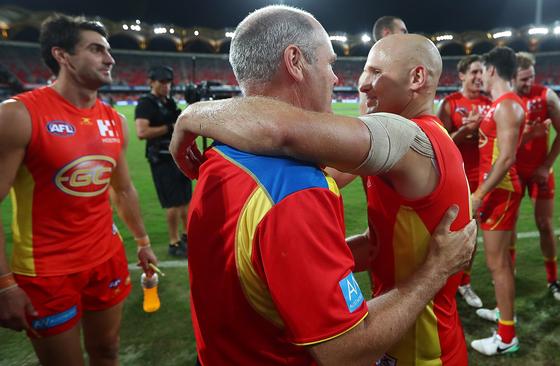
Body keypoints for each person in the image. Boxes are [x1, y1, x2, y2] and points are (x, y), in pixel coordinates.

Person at [171, 6, 476, 365]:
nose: (354, 82)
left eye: (375, 72)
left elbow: (284, 133)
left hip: (427, 353)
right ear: (296, 63)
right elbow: (307, 169)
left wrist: (193, 114)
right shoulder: (291, 181)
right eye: (335, 65)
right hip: (395, 341)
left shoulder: (222, 157)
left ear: (416, 78)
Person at [0, 14, 157, 365]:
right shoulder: (18, 115)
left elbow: (124, 189)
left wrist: (143, 243)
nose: (110, 59)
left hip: (106, 259)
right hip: (47, 271)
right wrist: (5, 283)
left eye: (109, 50)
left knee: (108, 351)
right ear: (62, 56)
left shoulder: (114, 120)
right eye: (96, 49)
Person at [469, 47, 526, 356]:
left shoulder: (506, 106)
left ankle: (507, 336)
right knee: (500, 260)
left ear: (492, 70)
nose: (479, 76)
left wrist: (478, 195)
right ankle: (505, 314)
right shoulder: (498, 105)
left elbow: (506, 159)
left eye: (481, 70)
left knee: (497, 263)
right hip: (495, 188)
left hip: (500, 190)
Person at [512, 52, 560, 301]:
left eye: (531, 77)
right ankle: (507, 273)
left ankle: (553, 279)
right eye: (524, 79)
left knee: (545, 226)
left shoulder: (546, 95)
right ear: (512, 77)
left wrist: (546, 165)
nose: (529, 82)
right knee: (509, 227)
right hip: (512, 171)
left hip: (540, 171)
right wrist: (527, 135)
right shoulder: (504, 99)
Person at [438, 54, 492, 308]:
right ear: (461, 75)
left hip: (480, 175)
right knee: (447, 230)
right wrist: (464, 131)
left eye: (481, 72)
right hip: (455, 176)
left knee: (474, 231)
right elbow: (440, 143)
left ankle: (465, 284)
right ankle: (441, 279)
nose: (479, 77)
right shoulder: (449, 103)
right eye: (474, 72)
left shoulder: (490, 103)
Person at [135, 65, 191, 258]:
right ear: (151, 82)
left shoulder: (169, 102)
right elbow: (142, 132)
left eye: (168, 83)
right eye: (162, 83)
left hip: (176, 156)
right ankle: (173, 242)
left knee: (185, 200)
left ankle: (186, 236)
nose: (166, 87)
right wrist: (169, 127)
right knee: (173, 204)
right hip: (160, 159)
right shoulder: (146, 103)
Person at [357, 16, 409, 116]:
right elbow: (367, 121)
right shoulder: (369, 78)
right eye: (403, 31)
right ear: (387, 33)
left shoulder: (396, 70)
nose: (406, 35)